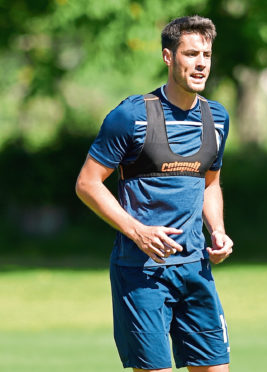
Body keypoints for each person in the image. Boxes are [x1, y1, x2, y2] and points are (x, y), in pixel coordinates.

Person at [76, 15, 233, 372]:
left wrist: (218, 231)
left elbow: (210, 183)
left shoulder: (217, 118)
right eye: (191, 54)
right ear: (168, 56)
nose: (201, 63)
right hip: (141, 273)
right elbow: (87, 183)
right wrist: (138, 232)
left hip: (196, 270)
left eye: (206, 55)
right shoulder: (131, 115)